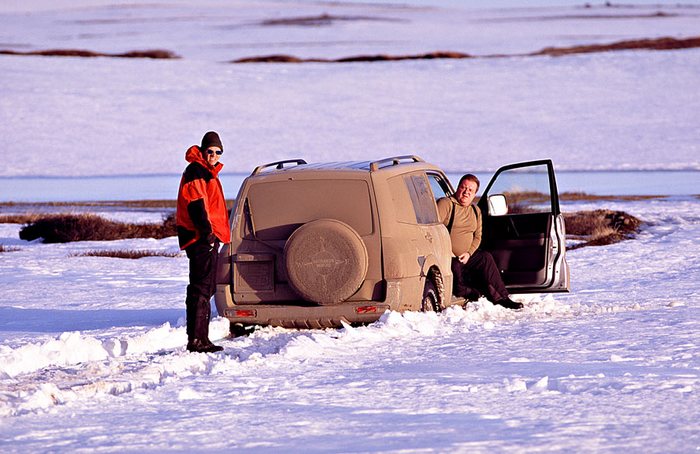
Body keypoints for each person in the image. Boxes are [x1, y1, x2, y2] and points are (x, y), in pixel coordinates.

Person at [176, 131, 231, 352]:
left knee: (205, 288)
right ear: (203, 150)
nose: (214, 155)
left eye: (218, 152)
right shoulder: (196, 171)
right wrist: (207, 235)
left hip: (207, 238)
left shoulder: (208, 172)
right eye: (210, 151)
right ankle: (196, 341)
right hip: (201, 238)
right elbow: (197, 206)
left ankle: (201, 338)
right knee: (200, 288)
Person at [437, 174, 523, 310]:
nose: (466, 192)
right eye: (463, 188)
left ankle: (502, 298)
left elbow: (478, 237)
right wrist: (449, 253)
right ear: (458, 187)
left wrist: (469, 254)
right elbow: (434, 231)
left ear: (475, 194)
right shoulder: (446, 204)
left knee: (486, 258)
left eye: (470, 190)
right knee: (458, 283)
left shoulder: (475, 211)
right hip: (448, 257)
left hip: (466, 256)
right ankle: (473, 293)